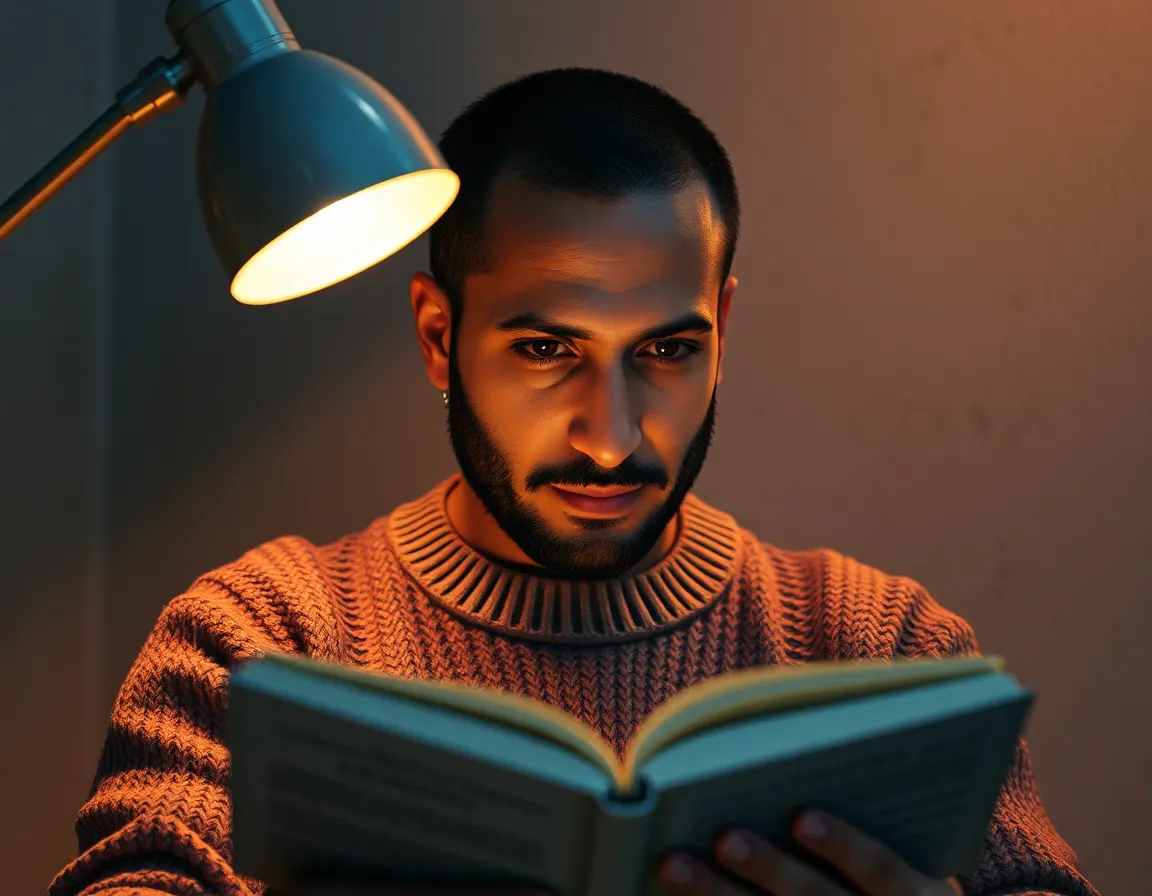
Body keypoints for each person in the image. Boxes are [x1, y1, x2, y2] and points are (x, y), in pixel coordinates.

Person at [48, 68, 1097, 896]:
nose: (610, 436)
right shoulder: (259, 635)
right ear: (435, 334)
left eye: (667, 350)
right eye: (548, 349)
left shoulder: (884, 647)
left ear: (723, 329)